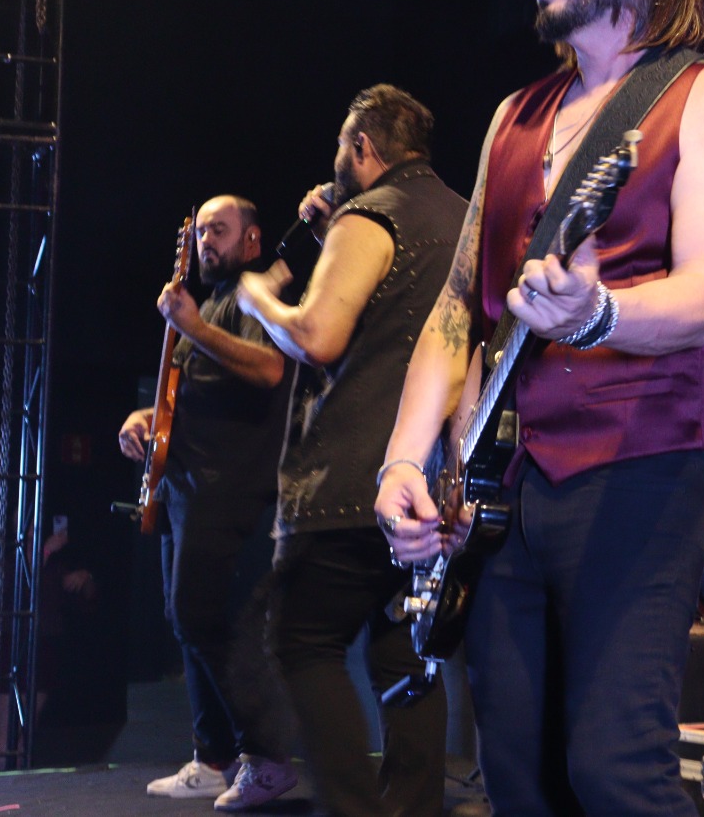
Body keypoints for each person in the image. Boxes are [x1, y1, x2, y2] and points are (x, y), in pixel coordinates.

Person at [374, 0, 704, 816]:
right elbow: (456, 309)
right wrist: (401, 460)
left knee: (615, 770)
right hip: (503, 490)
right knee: (518, 779)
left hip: (640, 472)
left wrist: (600, 314)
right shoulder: (514, 118)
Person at [236, 84, 466, 817]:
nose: (336, 155)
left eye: (342, 143)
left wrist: (255, 295)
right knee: (406, 658)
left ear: (362, 147)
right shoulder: (463, 216)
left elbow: (315, 335)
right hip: (432, 485)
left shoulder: (371, 215)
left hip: (347, 484)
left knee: (301, 643)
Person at [117, 195, 298, 811]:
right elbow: (183, 395)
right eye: (200, 234)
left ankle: (266, 757)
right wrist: (144, 419)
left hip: (229, 485)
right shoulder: (208, 302)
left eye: (219, 231)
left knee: (202, 616)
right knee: (183, 617)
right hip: (185, 484)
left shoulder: (251, 294)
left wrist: (192, 326)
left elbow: (271, 369)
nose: (205, 243)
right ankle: (213, 756)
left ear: (252, 239)